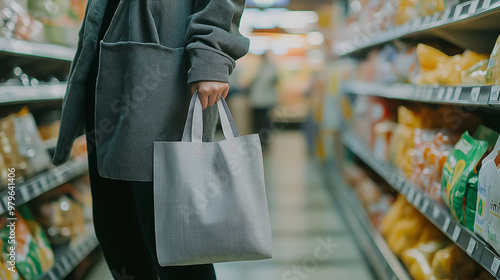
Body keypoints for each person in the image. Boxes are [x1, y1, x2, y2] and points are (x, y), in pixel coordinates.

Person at [51, 0, 249, 279]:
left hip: (162, 81)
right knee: (117, 234)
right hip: (108, 74)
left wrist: (212, 51)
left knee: (175, 243)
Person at [247, 51, 279, 148]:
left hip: (263, 101)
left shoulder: (268, 68)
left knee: (263, 122)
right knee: (261, 122)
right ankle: (261, 141)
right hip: (259, 101)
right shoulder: (263, 68)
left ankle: (263, 141)